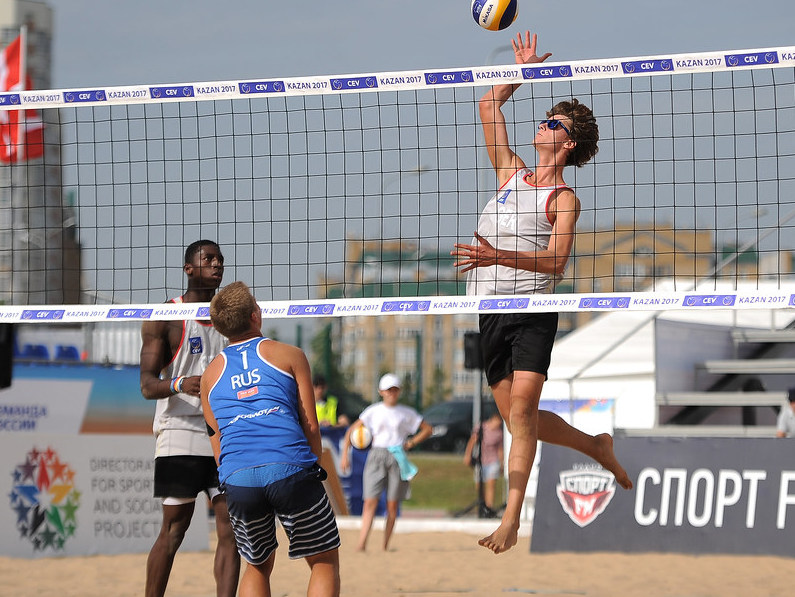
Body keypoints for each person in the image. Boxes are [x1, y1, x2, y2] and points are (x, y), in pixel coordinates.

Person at [450, 31, 633, 554]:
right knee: (518, 420)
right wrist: (522, 72)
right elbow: (488, 104)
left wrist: (497, 257)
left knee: (524, 408)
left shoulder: (564, 198)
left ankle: (511, 519)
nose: (543, 124)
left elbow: (556, 263)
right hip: (491, 310)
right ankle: (595, 445)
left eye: (554, 123)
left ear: (567, 143)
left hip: (533, 310)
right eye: (546, 118)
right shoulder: (510, 172)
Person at [201, 281, 341, 597]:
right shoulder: (289, 355)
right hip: (289, 467)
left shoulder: (210, 375)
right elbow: (310, 424)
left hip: (238, 477)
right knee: (323, 561)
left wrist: (232, 478)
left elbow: (217, 442)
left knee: (257, 566)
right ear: (255, 315)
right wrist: (312, 468)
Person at [139, 240, 238, 597]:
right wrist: (181, 383)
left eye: (220, 259)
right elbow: (147, 385)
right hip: (179, 431)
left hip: (223, 434)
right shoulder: (166, 315)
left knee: (231, 529)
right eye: (208, 259)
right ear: (189, 269)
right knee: (174, 529)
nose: (217, 264)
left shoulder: (231, 317)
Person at [339, 373, 433, 552]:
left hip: (397, 456)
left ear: (399, 391)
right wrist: (345, 455)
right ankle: (362, 544)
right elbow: (351, 431)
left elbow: (428, 429)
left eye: (395, 389)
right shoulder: (373, 411)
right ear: (381, 391)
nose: (392, 393)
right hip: (376, 455)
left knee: (392, 504)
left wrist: (411, 443)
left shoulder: (406, 412)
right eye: (388, 390)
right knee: (370, 501)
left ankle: (385, 545)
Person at [462, 412, 505, 515]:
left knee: (491, 484)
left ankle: (489, 508)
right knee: (479, 485)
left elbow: (500, 449)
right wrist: (468, 455)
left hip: (493, 460)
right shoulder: (482, 427)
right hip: (481, 460)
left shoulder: (499, 433)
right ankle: (482, 505)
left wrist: (502, 463)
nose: (498, 425)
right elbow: (472, 441)